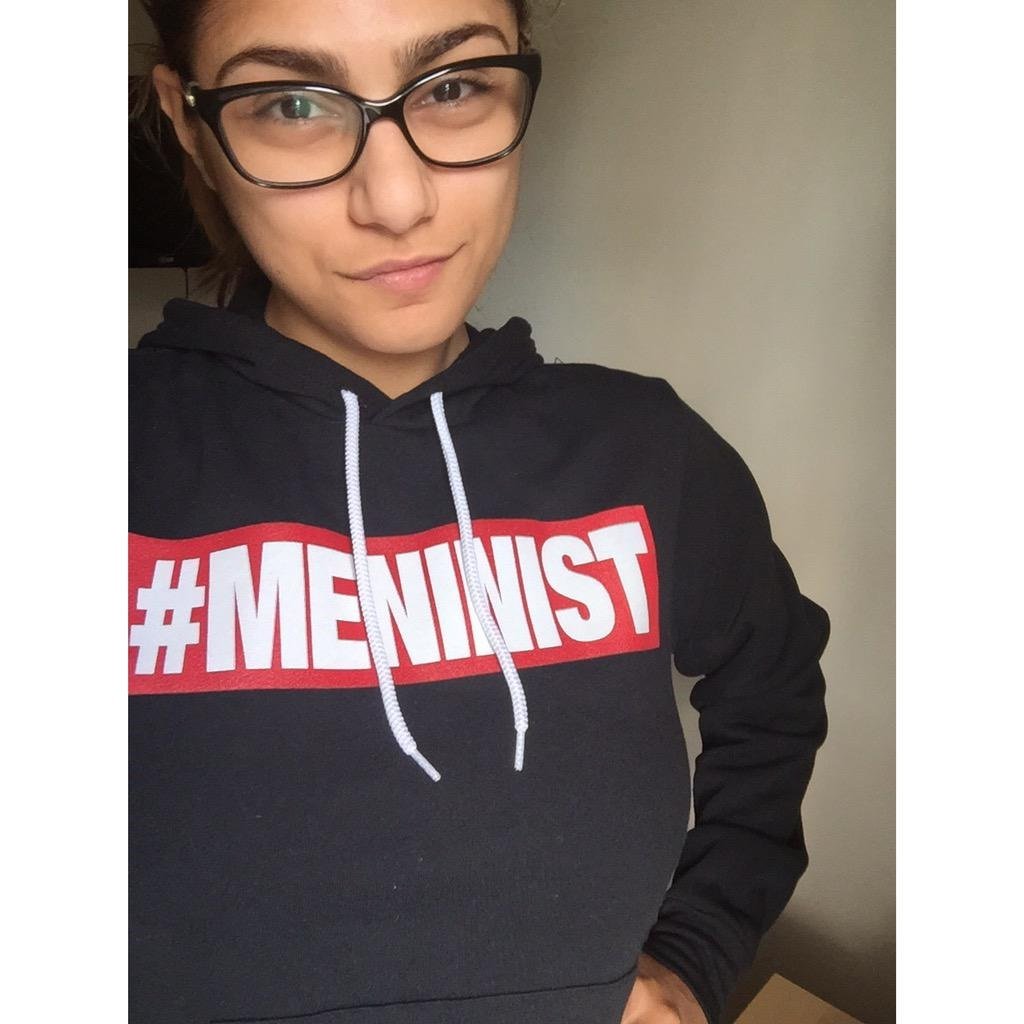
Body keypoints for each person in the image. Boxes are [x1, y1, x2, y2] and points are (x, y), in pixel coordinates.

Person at [129, 2, 829, 1022]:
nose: (397, 199)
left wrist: (697, 950)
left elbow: (772, 692)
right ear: (189, 122)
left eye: (453, 86)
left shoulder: (647, 446)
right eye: (292, 103)